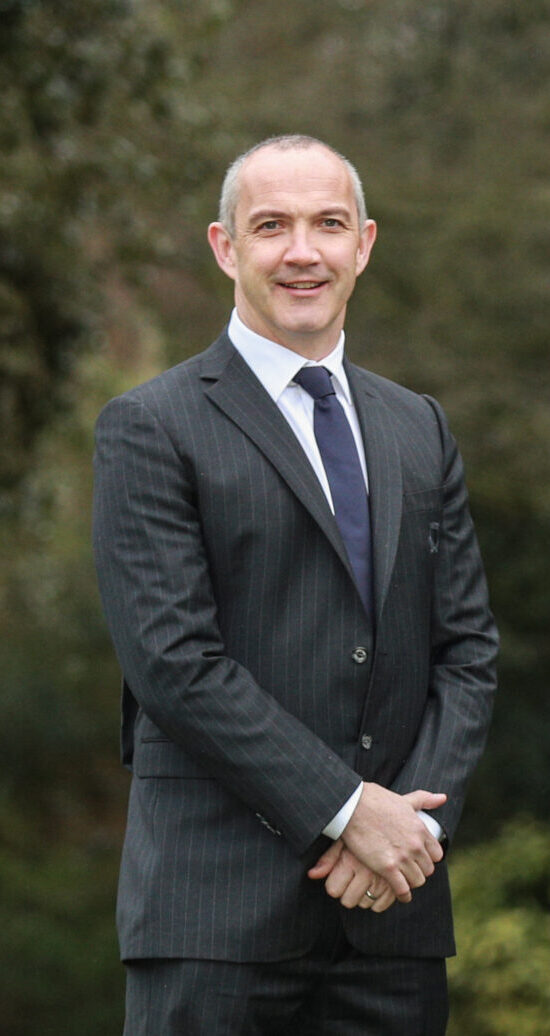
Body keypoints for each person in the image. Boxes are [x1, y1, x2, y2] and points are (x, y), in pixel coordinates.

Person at [93, 134, 498, 1035]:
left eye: (329, 224)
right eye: (272, 226)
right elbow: (174, 665)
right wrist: (349, 813)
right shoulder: (150, 426)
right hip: (215, 922)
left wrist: (413, 831)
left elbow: (467, 653)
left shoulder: (420, 427)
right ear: (225, 247)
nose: (302, 252)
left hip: (392, 918)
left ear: (365, 244)